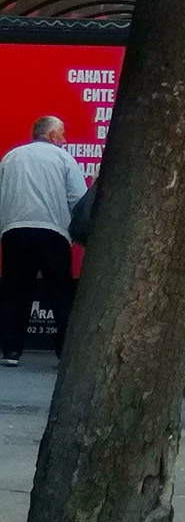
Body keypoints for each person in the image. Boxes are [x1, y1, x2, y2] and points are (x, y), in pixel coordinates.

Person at [0, 116, 86, 366]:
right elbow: (78, 199)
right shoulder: (63, 159)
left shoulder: (11, 158)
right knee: (60, 292)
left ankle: (11, 351)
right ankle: (65, 352)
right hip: (52, 232)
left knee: (15, 292)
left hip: (14, 231)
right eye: (62, 134)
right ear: (51, 136)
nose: (65, 139)